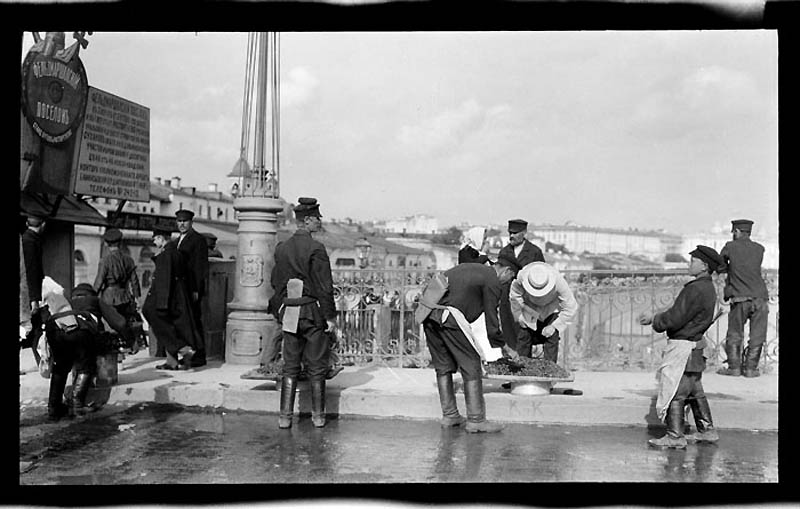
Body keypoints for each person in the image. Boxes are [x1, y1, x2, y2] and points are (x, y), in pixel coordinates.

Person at [639, 245, 723, 449]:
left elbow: (676, 317)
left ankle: (675, 436)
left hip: (683, 347)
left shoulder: (695, 289)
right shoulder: (708, 287)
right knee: (695, 391)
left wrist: (655, 320)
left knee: (675, 391)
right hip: (695, 347)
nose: (689, 264)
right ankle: (706, 430)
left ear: (704, 266)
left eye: (693, 261)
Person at [269, 197, 337, 429]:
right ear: (307, 220)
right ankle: (318, 417)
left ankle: (285, 417)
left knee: (290, 366)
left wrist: (280, 310)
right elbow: (324, 287)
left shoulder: (282, 248)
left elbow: (276, 283)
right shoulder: (316, 248)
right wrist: (330, 317)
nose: (319, 221)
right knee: (317, 366)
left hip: (290, 313)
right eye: (317, 218)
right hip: (312, 312)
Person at [419, 253, 505, 433]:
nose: (507, 283)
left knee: (443, 366)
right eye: (510, 278)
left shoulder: (474, 270)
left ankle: (450, 415)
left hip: (428, 313)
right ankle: (476, 420)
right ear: (506, 270)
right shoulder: (492, 278)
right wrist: (501, 345)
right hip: (448, 315)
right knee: (471, 364)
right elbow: (492, 317)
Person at [716, 219, 770, 378]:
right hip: (760, 296)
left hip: (740, 297)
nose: (733, 234)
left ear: (737, 231)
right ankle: (751, 369)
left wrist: (728, 269)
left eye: (734, 232)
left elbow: (720, 266)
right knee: (758, 334)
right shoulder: (759, 248)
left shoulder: (730, 246)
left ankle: (734, 368)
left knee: (735, 332)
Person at [142, 227, 200, 370]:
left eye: (155, 239)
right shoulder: (178, 253)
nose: (154, 242)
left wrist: (162, 303)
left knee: (157, 319)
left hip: (166, 297)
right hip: (179, 296)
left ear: (161, 238)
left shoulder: (165, 255)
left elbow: (164, 280)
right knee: (170, 326)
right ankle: (172, 361)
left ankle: (182, 349)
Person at [508, 261, 578, 363]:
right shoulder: (521, 277)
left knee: (552, 336)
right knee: (524, 335)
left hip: (551, 310)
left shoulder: (559, 282)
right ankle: (521, 367)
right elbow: (514, 296)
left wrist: (554, 326)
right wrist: (519, 315)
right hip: (530, 308)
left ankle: (550, 368)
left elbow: (571, 307)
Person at [496, 219, 545, 354]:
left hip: (526, 301)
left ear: (524, 233)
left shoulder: (534, 252)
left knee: (525, 335)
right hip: (507, 300)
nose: (511, 236)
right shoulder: (504, 252)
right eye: (510, 233)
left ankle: (524, 362)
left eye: (515, 233)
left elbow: (542, 275)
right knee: (508, 333)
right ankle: (511, 361)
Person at [93, 227, 141, 351]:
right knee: (125, 322)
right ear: (120, 243)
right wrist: (137, 297)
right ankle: (131, 344)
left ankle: (117, 350)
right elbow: (134, 281)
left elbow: (99, 281)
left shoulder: (105, 261)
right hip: (125, 296)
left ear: (107, 244)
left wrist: (91, 296)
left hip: (109, 298)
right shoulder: (129, 260)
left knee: (112, 325)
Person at [175, 209, 209, 367]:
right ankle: (188, 354)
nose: (182, 224)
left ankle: (199, 356)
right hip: (180, 287)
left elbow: (200, 267)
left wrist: (196, 289)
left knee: (194, 321)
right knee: (185, 322)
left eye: (185, 221)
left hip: (191, 287)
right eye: (179, 221)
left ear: (191, 222)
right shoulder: (177, 240)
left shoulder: (198, 240)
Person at [21, 214, 46, 364]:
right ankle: (38, 363)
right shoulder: (30, 242)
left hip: (26, 292)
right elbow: (31, 272)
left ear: (26, 223)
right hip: (27, 293)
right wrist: (34, 299)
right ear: (43, 225)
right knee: (32, 328)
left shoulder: (27, 239)